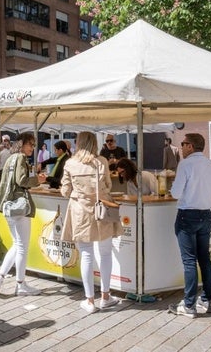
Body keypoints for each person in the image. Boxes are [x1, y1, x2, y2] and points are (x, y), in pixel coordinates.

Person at [60, 131, 124, 313]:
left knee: (86, 254)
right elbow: (108, 186)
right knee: (105, 253)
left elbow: (65, 191)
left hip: (80, 210)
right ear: (94, 143)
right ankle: (105, 296)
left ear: (78, 143)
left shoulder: (70, 163)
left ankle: (89, 301)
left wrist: (78, 193)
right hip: (102, 209)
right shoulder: (101, 161)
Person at [168, 133, 211, 318]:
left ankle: (189, 304)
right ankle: (206, 300)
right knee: (204, 259)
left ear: (190, 146)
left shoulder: (186, 164)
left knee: (189, 261)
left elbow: (175, 193)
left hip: (187, 215)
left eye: (183, 144)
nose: (181, 147)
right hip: (205, 214)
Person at [0, 132, 45, 296]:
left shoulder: (10, 158)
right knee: (22, 246)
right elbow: (22, 181)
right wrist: (38, 180)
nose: (32, 148)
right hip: (18, 206)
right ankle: (20, 284)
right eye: (31, 144)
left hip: (8, 206)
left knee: (16, 244)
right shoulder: (20, 158)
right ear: (22, 144)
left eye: (34, 145)